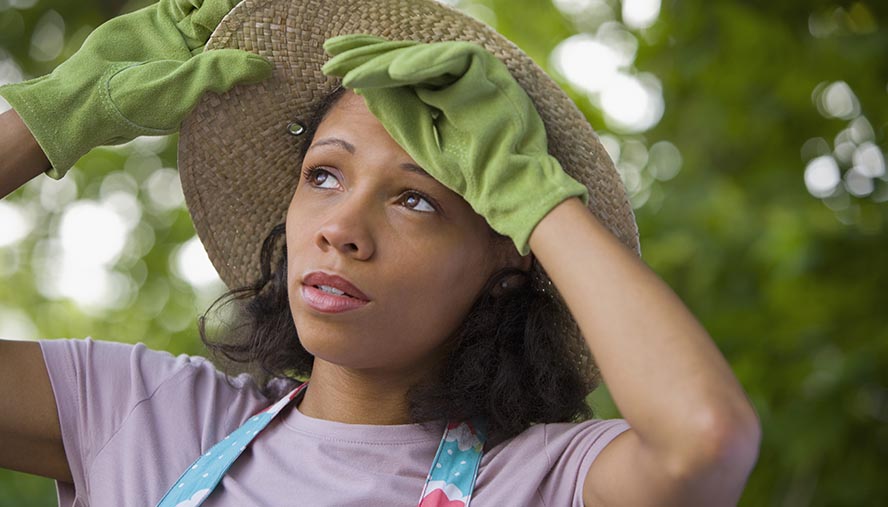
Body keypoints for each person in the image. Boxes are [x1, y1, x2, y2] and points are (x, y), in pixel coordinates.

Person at [0, 0, 761, 505]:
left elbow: (706, 437)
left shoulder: (545, 478)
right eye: (324, 175)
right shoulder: (146, 417)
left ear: (507, 263)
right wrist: (52, 119)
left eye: (416, 199)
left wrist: (539, 200)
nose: (342, 228)